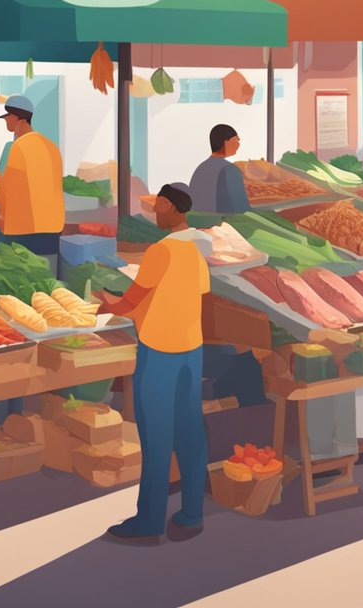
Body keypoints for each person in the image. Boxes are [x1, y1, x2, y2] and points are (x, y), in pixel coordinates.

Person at [99, 183, 211, 544]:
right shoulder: (196, 249)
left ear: (173, 209)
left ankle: (149, 521)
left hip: (159, 351)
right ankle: (192, 513)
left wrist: (105, 301)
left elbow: (130, 301)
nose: (156, 213)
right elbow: (195, 293)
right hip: (191, 350)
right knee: (191, 432)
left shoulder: (160, 251)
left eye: (160, 207)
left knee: (157, 437)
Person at [0, 95, 64, 255]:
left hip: (21, 229)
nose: (6, 121)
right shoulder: (51, 146)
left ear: (21, 119)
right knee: (47, 272)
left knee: (20, 275)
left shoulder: (16, 147)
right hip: (52, 226)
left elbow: (5, 188)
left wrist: (1, 218)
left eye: (8, 117)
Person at [188, 124, 250, 214]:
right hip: (223, 223)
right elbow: (241, 208)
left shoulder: (200, 168)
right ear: (226, 141)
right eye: (237, 139)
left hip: (200, 222)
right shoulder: (229, 169)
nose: (238, 144)